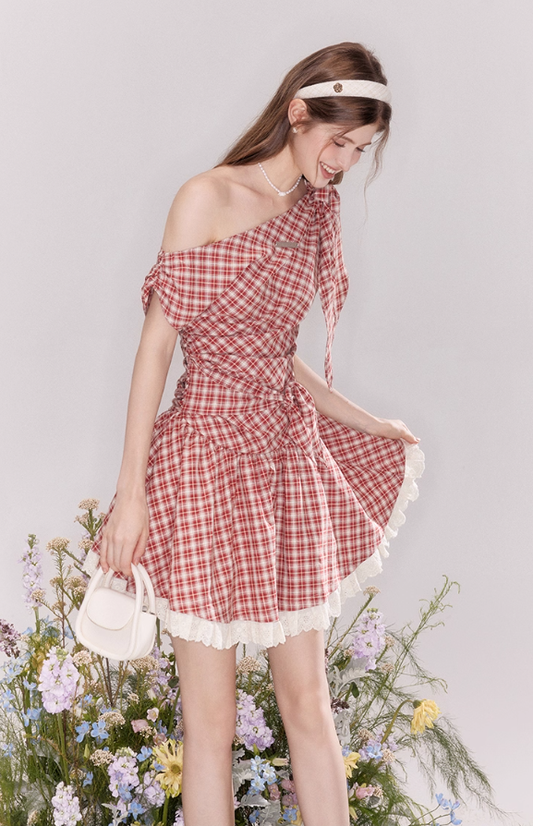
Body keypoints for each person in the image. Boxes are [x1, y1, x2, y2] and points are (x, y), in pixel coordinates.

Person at [87, 41, 424, 826]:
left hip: (284, 458)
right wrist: (130, 496)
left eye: (360, 150)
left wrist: (367, 422)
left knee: (307, 702)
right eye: (338, 142)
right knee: (210, 725)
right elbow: (156, 349)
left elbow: (275, 351)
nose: (344, 163)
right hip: (203, 457)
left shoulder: (313, 210)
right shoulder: (205, 197)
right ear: (297, 113)